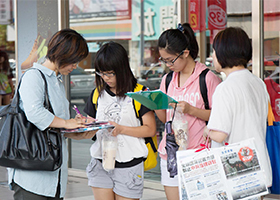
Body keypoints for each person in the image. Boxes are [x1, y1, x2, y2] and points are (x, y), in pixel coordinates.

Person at [8, 28, 96, 200]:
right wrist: (66, 123)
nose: (75, 66)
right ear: (62, 55)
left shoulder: (56, 80)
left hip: (53, 174)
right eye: (73, 61)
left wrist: (76, 131)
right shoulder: (34, 76)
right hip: (32, 175)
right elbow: (35, 113)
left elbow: (54, 125)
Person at [154, 23, 221, 200]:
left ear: (185, 53)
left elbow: (219, 117)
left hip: (198, 154)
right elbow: (165, 118)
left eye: (170, 60)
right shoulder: (167, 80)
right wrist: (154, 104)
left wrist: (192, 110)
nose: (167, 64)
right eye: (164, 60)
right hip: (170, 154)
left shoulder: (207, 78)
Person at [83, 41, 156, 200]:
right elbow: (90, 127)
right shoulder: (97, 94)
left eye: (110, 73)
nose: (105, 78)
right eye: (101, 73)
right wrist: (82, 126)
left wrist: (121, 129)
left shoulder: (140, 93)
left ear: (122, 69)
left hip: (128, 166)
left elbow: (150, 129)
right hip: (100, 162)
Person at [205, 27, 272, 188]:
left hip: (237, 172)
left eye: (214, 51)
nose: (213, 57)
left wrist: (206, 131)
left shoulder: (225, 88)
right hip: (259, 167)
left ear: (223, 53)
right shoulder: (258, 83)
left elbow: (220, 135)